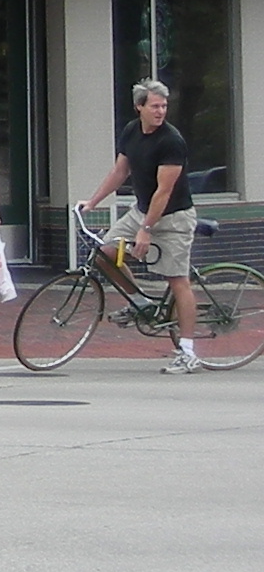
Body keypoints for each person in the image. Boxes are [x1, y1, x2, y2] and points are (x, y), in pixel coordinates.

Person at [81, 78, 204, 374]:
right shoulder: (131, 131)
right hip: (142, 211)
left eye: (164, 106)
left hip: (172, 217)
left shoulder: (171, 141)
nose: (161, 111)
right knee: (105, 252)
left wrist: (145, 231)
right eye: (155, 106)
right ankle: (140, 302)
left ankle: (188, 351)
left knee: (178, 282)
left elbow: (163, 192)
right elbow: (120, 170)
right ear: (139, 107)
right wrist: (93, 201)